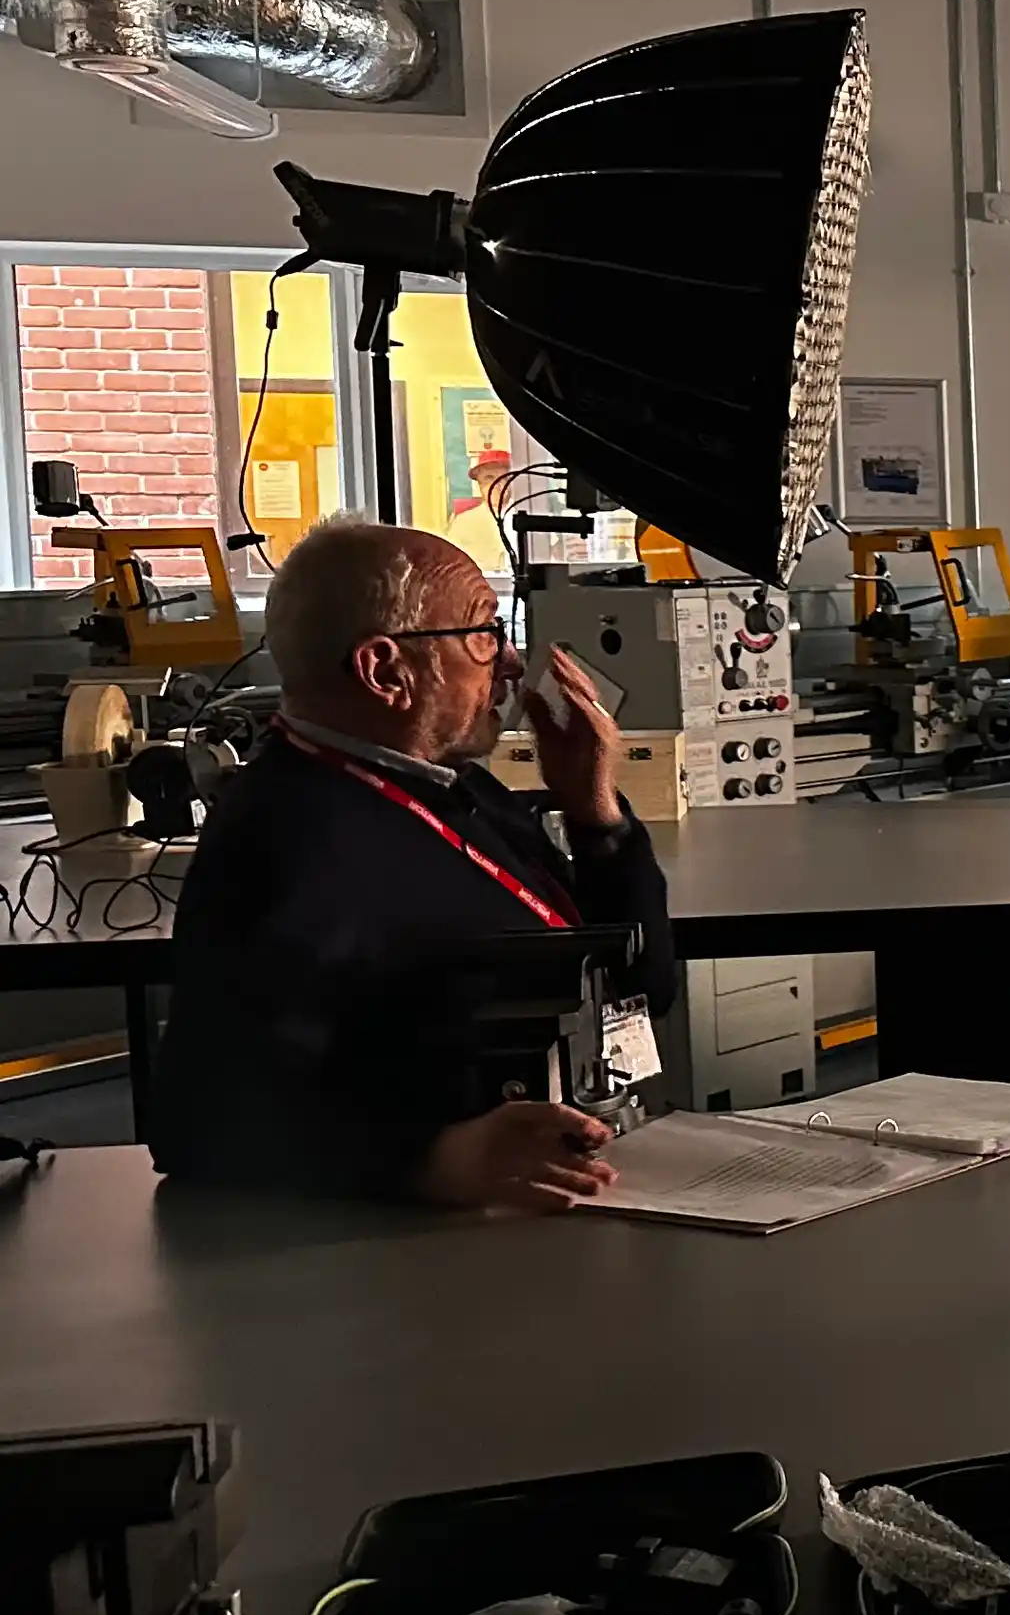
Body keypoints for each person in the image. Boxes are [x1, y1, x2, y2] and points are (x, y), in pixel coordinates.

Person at [149, 516, 678, 1211]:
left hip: (550, 1193)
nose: (513, 662)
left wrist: (595, 812)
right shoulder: (289, 841)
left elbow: (643, 983)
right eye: (485, 632)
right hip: (396, 1263)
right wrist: (436, 1161)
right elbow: (200, 1125)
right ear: (385, 670)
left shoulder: (454, 790)